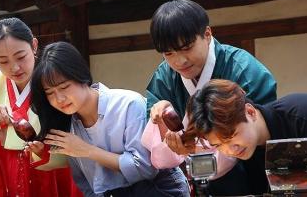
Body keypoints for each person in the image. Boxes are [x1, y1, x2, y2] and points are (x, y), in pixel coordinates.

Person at [145, 0, 277, 195]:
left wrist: (202, 141)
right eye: (169, 53)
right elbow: (153, 115)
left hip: (249, 173)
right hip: (193, 179)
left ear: (207, 34)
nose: (180, 61)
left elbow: (259, 128)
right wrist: (162, 122)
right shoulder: (164, 77)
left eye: (187, 47)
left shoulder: (244, 69)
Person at [30, 41, 189, 197]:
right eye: (50, 93)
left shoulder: (129, 104)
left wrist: (87, 151)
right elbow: (85, 183)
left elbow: (144, 168)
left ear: (81, 76)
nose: (59, 98)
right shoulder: (67, 123)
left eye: (64, 87)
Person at [184, 79, 307, 196]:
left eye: (232, 136)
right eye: (219, 145)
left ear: (249, 111)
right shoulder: (245, 151)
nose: (230, 149)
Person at [0, 18, 81, 197]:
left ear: (34, 45)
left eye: (21, 57)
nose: (14, 68)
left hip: (49, 160)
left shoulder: (51, 75)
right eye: (3, 61)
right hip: (4, 161)